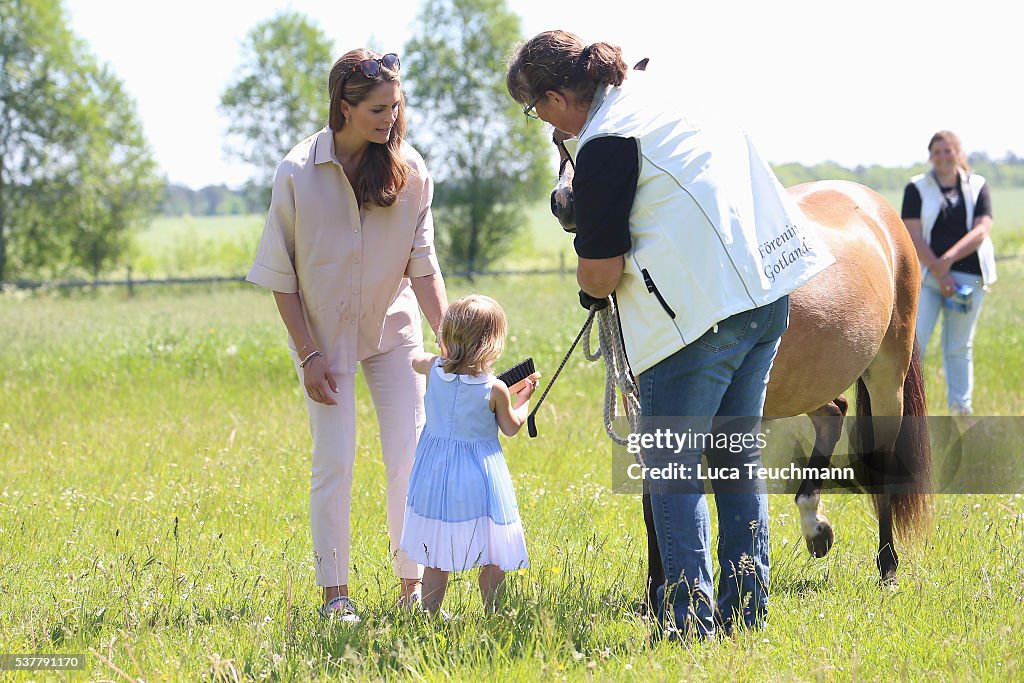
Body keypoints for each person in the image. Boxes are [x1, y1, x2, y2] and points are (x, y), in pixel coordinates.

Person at [505, 31, 834, 637]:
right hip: (766, 293)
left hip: (695, 319)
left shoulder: (604, 144)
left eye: (536, 110)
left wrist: (590, 289)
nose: (543, 121)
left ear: (555, 97)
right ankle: (749, 610)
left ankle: (689, 624)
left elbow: (600, 273)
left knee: (673, 475)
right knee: (738, 462)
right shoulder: (674, 98)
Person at [246, 49, 448, 621]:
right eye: (379, 108)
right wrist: (308, 354)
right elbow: (279, 276)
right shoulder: (297, 172)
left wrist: (453, 341)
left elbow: (424, 268)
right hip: (323, 335)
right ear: (345, 106)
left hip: (393, 324)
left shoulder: (412, 171)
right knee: (334, 459)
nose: (391, 118)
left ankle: (412, 590)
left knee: (408, 453)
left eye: (396, 106)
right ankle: (336, 595)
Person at [399, 294, 536, 615]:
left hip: (436, 473)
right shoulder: (495, 389)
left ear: (448, 336)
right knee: (493, 549)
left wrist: (441, 353)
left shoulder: (433, 369)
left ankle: (428, 613)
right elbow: (512, 426)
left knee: (437, 551)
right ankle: (495, 612)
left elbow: (415, 358)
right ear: (492, 344)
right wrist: (525, 396)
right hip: (479, 477)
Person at [901, 130, 995, 415]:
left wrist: (949, 259)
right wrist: (940, 271)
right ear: (931, 156)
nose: (943, 156)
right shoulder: (916, 187)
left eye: (948, 150)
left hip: (968, 278)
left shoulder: (978, 186)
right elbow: (912, 234)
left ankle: (961, 408)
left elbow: (982, 229)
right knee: (914, 344)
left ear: (959, 152)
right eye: (937, 151)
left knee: (959, 346)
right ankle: (908, 408)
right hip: (928, 278)